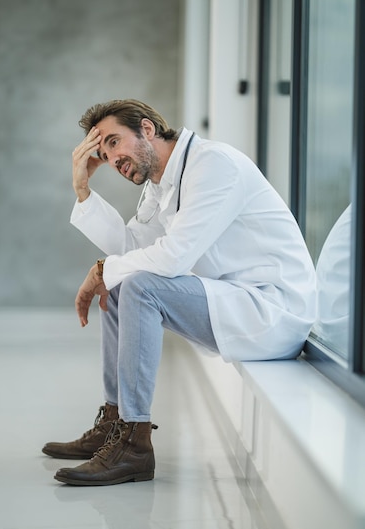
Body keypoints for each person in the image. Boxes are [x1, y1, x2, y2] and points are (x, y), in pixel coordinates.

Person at [43, 98, 316, 486]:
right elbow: (132, 250)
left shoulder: (214, 165)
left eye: (115, 142)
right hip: (236, 299)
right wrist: (83, 189)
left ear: (147, 129)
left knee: (137, 284)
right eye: (104, 153)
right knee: (126, 284)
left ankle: (135, 447)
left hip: (272, 311)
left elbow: (171, 259)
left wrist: (104, 269)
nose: (112, 159)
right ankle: (116, 421)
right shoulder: (160, 187)